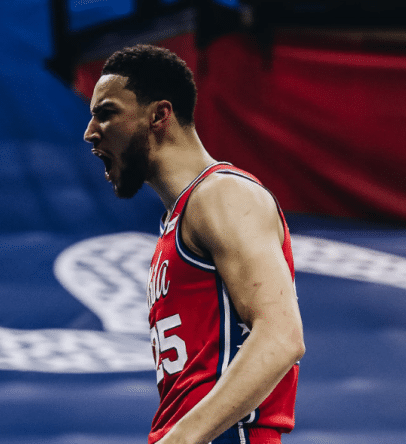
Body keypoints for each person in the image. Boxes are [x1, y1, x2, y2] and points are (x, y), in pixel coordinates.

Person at [83, 44, 305, 444]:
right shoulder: (178, 221)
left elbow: (281, 336)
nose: (90, 131)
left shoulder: (223, 194)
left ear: (159, 115)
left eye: (106, 113)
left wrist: (181, 438)